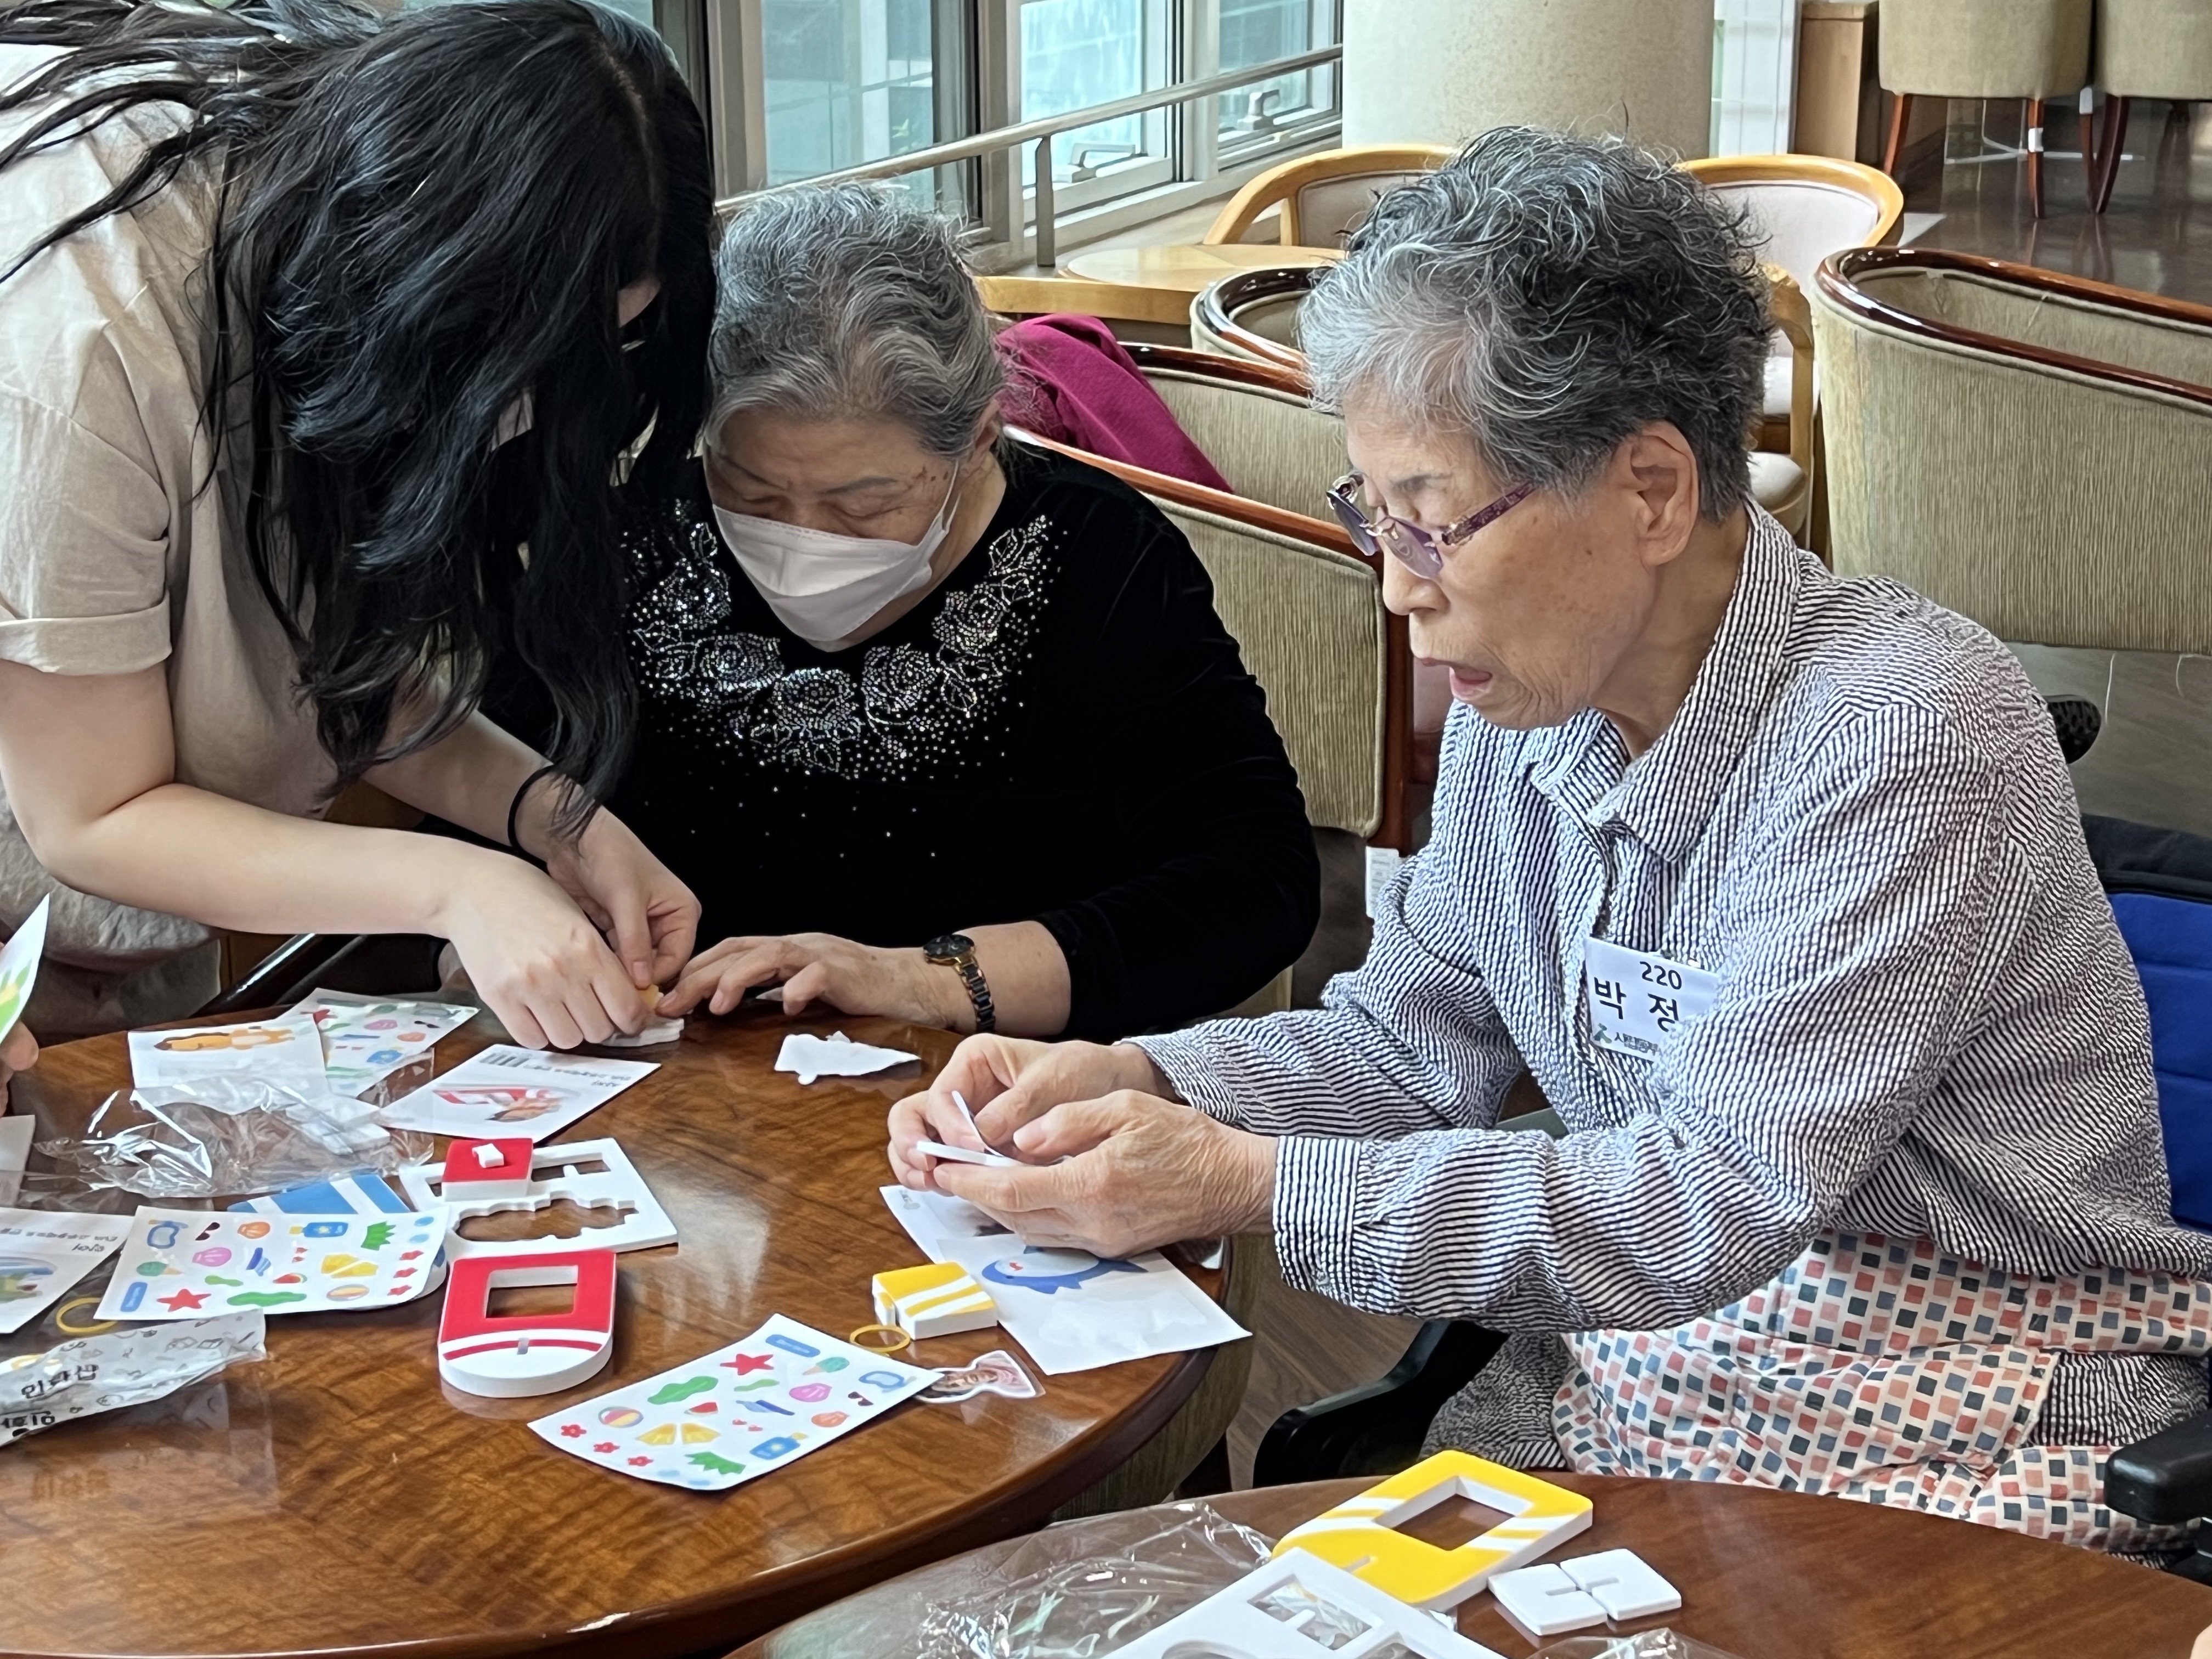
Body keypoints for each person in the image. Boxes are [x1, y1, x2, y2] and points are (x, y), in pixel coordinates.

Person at [890, 129, 2212, 1551]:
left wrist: (1241, 1179)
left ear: (1651, 489)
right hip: (1658, 1373)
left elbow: (1708, 1199)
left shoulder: (1904, 734)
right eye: (1374, 517)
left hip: (1978, 1407)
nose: (1398, 589)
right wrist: (1141, 1076)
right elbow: (1409, 1048)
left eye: (1432, 522)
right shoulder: (1525, 714)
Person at [0, 0, 712, 1054]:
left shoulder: (355, 197)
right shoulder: (83, 348)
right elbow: (92, 815)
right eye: (517, 366)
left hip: (129, 909)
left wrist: (553, 817)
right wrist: (459, 888)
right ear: (422, 282)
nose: (524, 415)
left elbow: (332, 665)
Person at [591, 184, 1318, 1040]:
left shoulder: (1095, 557)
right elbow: (516, 799)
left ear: (975, 442)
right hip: (668, 1066)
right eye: (750, 491)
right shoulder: (639, 536)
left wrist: (919, 981)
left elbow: (1256, 884)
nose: (800, 537)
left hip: (996, 1077)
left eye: (862, 505)